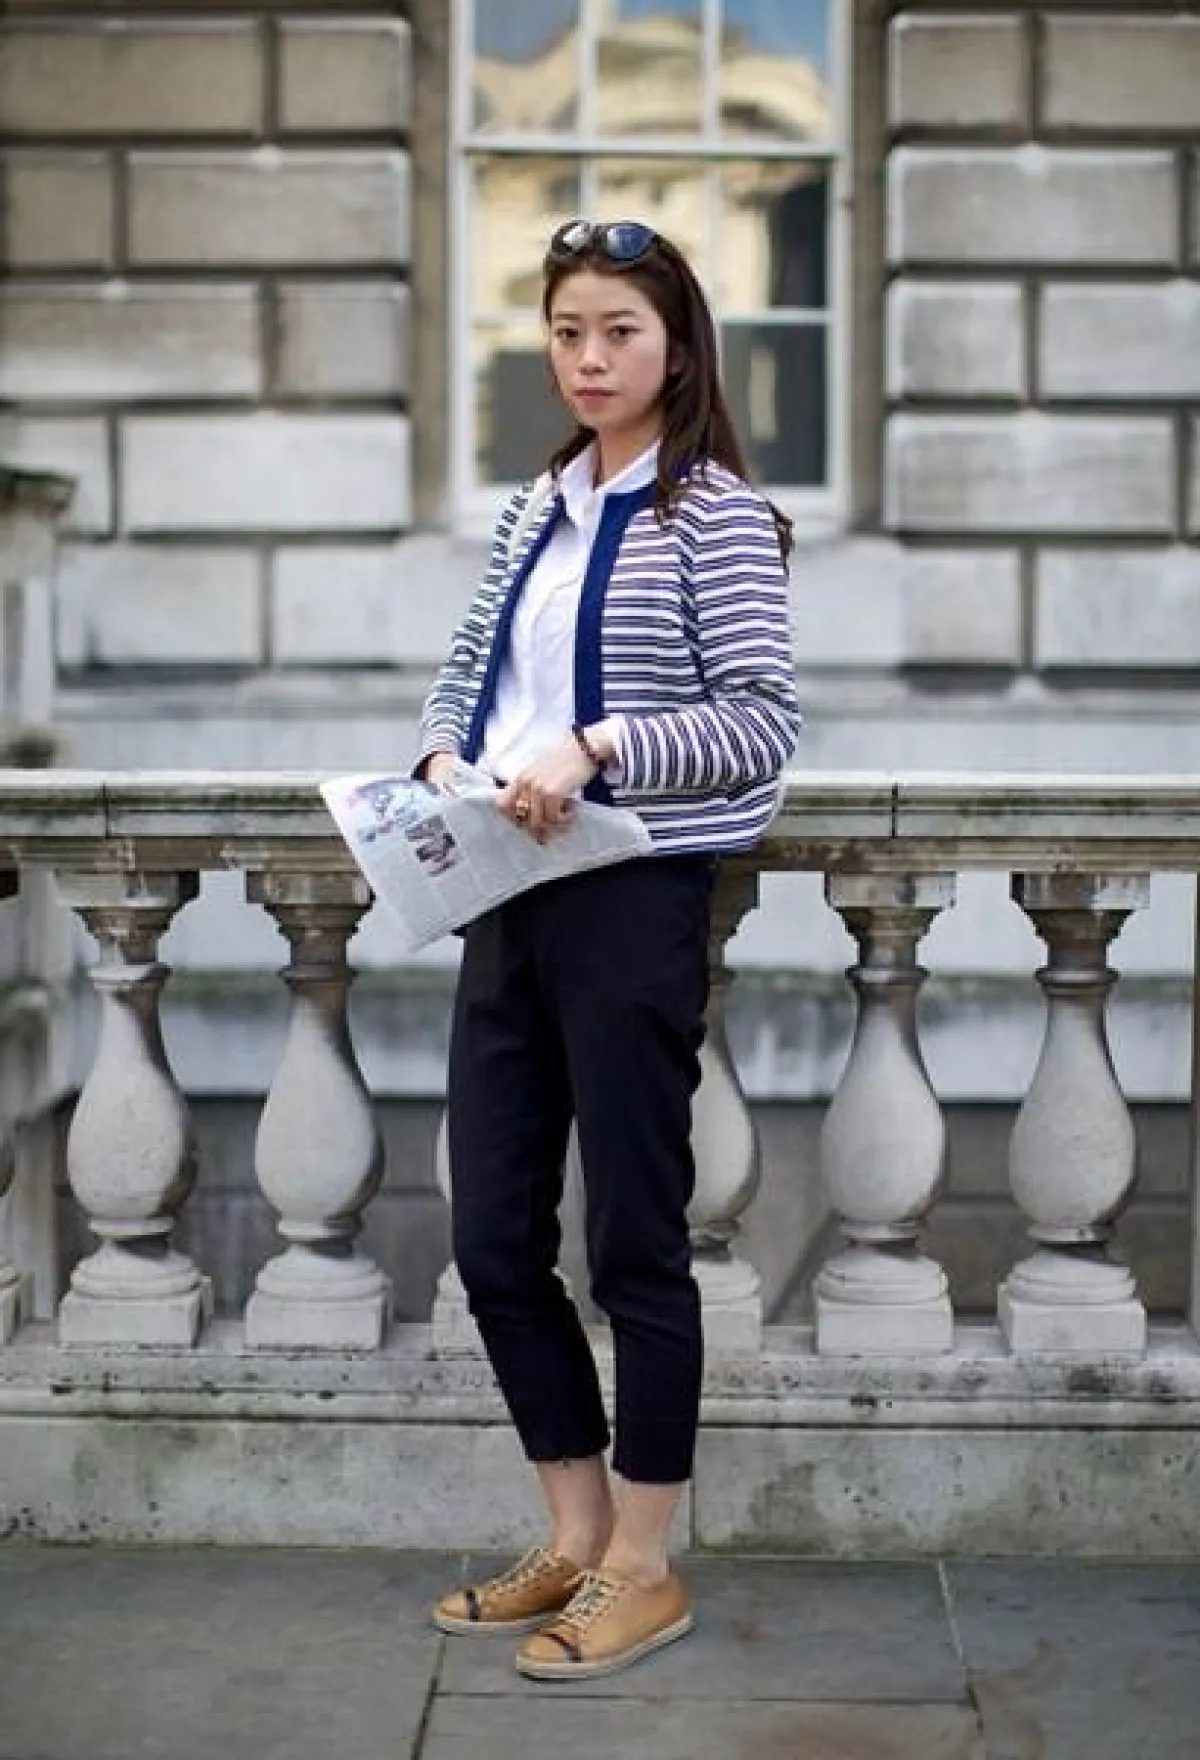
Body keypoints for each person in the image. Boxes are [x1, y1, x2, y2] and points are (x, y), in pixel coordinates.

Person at [416, 218, 801, 1679]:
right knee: (492, 1238)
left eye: (620, 332)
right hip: (504, 888)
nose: (589, 358)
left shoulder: (718, 515)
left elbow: (760, 723)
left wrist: (597, 744)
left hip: (632, 900)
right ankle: (575, 1538)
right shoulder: (540, 505)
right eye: (568, 330)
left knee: (635, 1238)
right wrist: (441, 756)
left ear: (679, 348)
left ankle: (645, 1565)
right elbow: (468, 674)